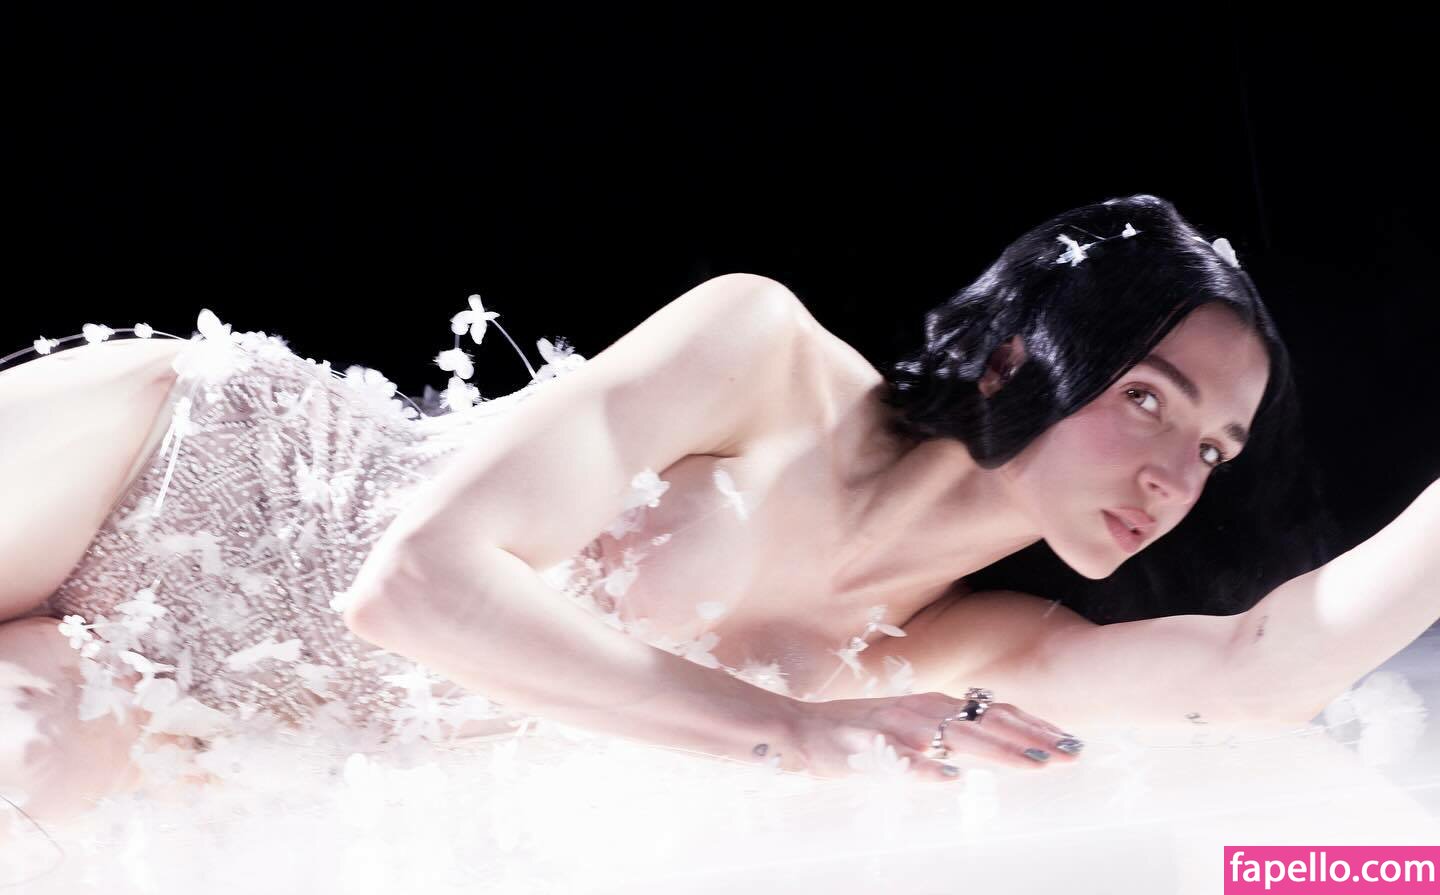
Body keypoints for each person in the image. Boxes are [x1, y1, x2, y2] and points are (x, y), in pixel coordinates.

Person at [1, 194, 1435, 831]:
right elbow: (414, 583)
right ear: (1019, 357)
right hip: (180, 468)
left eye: (1217, 449)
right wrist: (791, 729)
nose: (1177, 475)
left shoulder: (964, 645)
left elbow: (1262, 671)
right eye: (1150, 401)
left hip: (177, 697)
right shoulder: (762, 352)